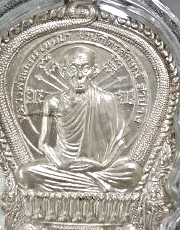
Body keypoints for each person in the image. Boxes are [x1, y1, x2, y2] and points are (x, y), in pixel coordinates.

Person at [17, 45, 141, 192]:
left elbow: (120, 142)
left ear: (94, 71)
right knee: (24, 173)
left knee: (133, 171)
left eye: (85, 68)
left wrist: (103, 165)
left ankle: (77, 184)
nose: (79, 75)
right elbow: (43, 144)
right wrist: (59, 164)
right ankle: (92, 184)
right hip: (62, 167)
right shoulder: (53, 101)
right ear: (64, 72)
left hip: (100, 167)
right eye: (73, 69)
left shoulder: (108, 100)